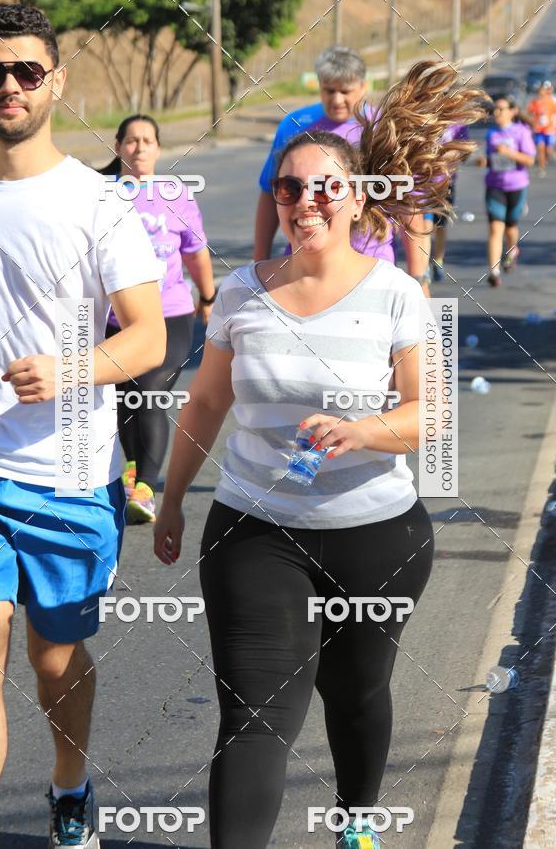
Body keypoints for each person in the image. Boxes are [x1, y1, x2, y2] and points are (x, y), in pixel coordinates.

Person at [154, 62, 483, 849]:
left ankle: (358, 819)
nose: (307, 202)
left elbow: (431, 415)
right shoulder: (240, 293)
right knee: (256, 711)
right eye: (290, 189)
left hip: (377, 535)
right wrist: (169, 501)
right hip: (256, 530)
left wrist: (362, 431)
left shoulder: (401, 292)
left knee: (357, 689)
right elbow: (204, 404)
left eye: (326, 188)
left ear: (358, 198)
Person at [0, 4, 166, 848]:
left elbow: (147, 337)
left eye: (27, 72)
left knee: (54, 662)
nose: (9, 86)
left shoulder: (99, 202)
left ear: (56, 83)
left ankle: (71, 784)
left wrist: (71, 369)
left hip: (73, 472)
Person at [99, 115, 216, 524]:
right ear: (118, 146)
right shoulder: (100, 194)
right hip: (114, 319)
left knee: (148, 389)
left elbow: (195, 252)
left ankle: (146, 487)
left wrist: (208, 296)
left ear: (159, 149)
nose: (139, 148)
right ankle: (130, 471)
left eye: (148, 140)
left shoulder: (175, 193)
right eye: (131, 140)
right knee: (119, 398)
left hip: (171, 314)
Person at [253, 45, 433, 294]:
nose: (337, 99)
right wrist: (259, 260)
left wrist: (419, 276)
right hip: (305, 263)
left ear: (363, 86)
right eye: (329, 90)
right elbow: (270, 192)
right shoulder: (294, 124)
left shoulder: (385, 129)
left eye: (345, 91)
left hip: (370, 261)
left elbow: (408, 205)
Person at [477, 95, 535, 286]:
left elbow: (529, 160)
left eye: (501, 109)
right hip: (495, 185)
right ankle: (493, 272)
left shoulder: (521, 132)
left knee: (510, 229)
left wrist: (508, 152)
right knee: (495, 228)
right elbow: (490, 159)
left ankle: (512, 250)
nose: (497, 113)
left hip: (516, 185)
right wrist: (483, 161)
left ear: (512, 112)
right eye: (495, 109)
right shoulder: (492, 133)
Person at [424, 123, 471, 282]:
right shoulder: (426, 118)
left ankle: (438, 260)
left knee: (439, 226)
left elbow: (465, 152)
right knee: (424, 226)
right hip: (422, 183)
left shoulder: (458, 126)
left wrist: (448, 154)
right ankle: (423, 265)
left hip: (445, 183)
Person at [527, 80, 556, 176]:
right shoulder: (534, 102)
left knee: (548, 150)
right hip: (539, 129)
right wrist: (532, 123)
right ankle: (541, 167)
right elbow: (530, 113)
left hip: (550, 129)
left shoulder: (551, 101)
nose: (541, 93)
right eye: (540, 91)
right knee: (540, 148)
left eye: (543, 91)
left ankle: (546, 158)